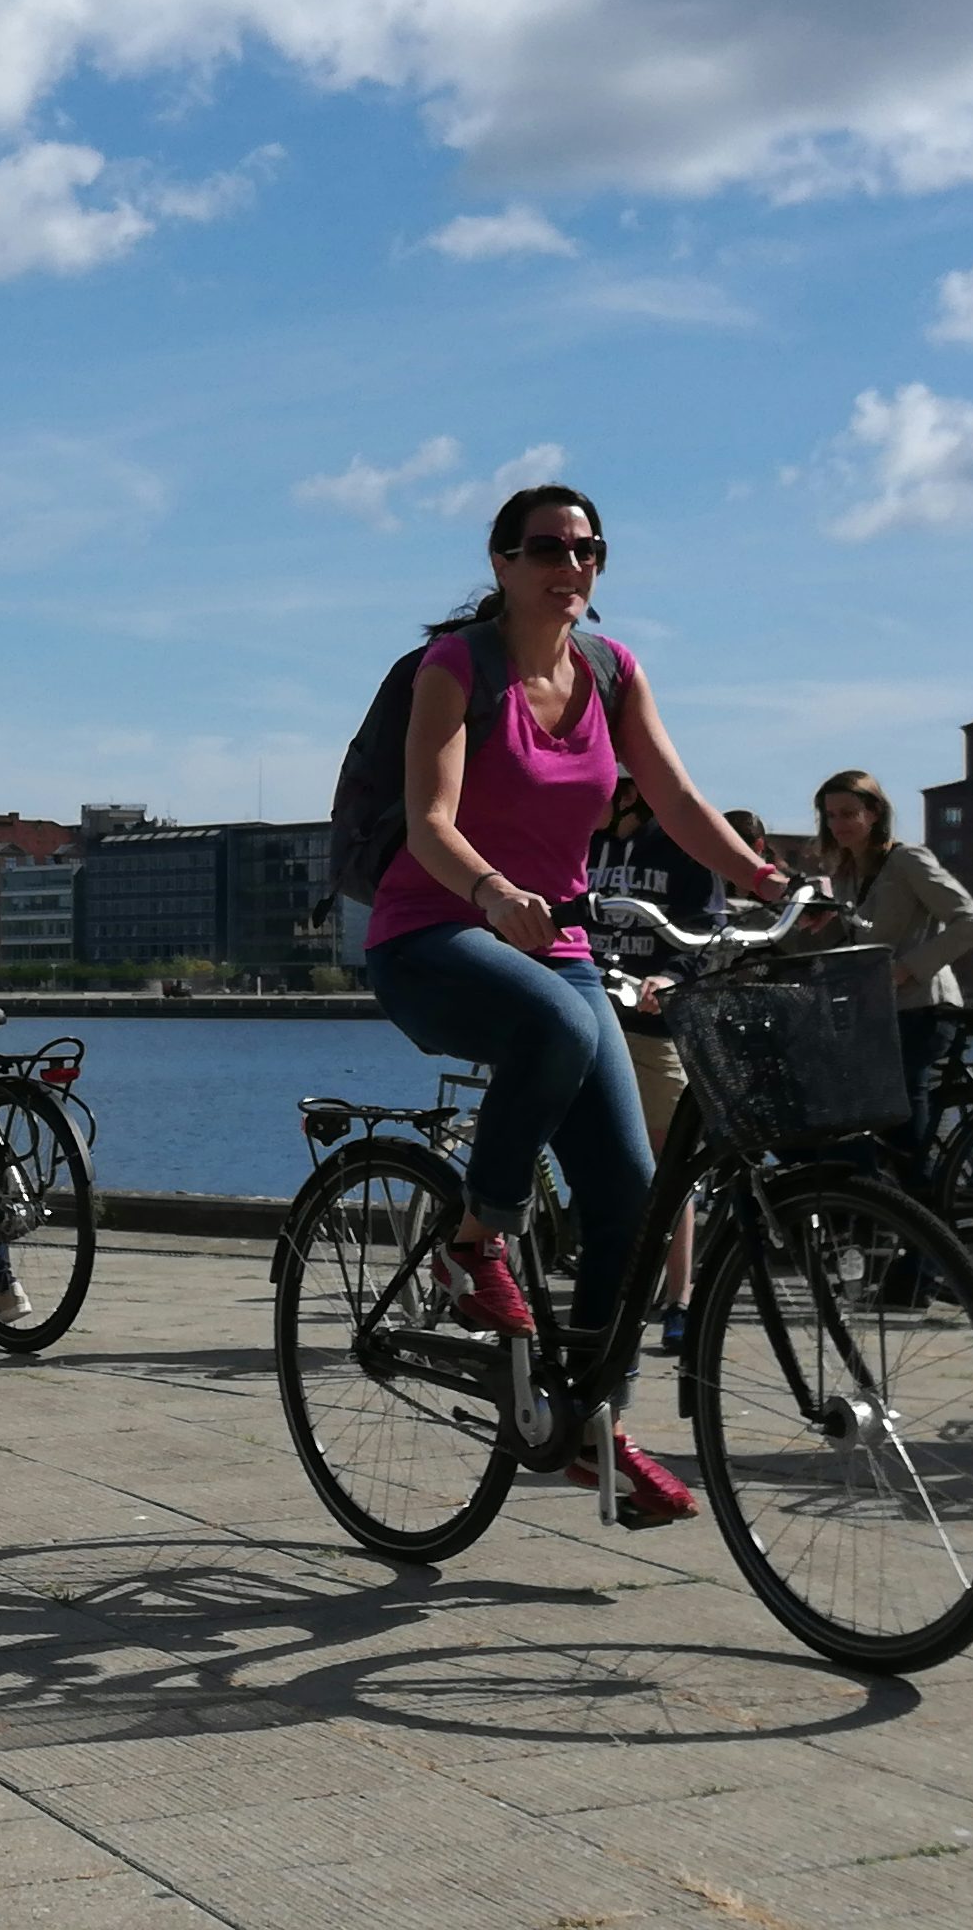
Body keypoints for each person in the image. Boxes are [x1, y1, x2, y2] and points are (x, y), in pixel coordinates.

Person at [362, 484, 793, 1525]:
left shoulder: (612, 671)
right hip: (434, 932)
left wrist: (774, 885)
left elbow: (681, 800)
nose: (574, 562)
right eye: (550, 545)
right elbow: (426, 818)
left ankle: (587, 1423)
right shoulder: (456, 666)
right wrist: (491, 890)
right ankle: (476, 1243)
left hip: (552, 944)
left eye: (590, 547)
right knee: (554, 1023)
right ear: (504, 560)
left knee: (632, 1205)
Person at [585, 777, 721, 1349]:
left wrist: (670, 976)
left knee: (671, 1165)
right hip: (592, 1014)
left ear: (630, 796)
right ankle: (610, 1290)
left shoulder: (684, 845)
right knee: (600, 1163)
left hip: (653, 1026)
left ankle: (679, 1299)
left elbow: (705, 929)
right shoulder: (585, 842)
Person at [806, 768, 973, 1173]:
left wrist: (907, 968)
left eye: (848, 813)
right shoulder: (846, 876)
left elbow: (971, 922)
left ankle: (923, 1207)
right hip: (878, 1015)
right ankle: (883, 1208)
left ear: (874, 813)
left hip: (923, 1009)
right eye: (830, 815)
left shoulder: (907, 860)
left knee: (896, 1111)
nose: (838, 824)